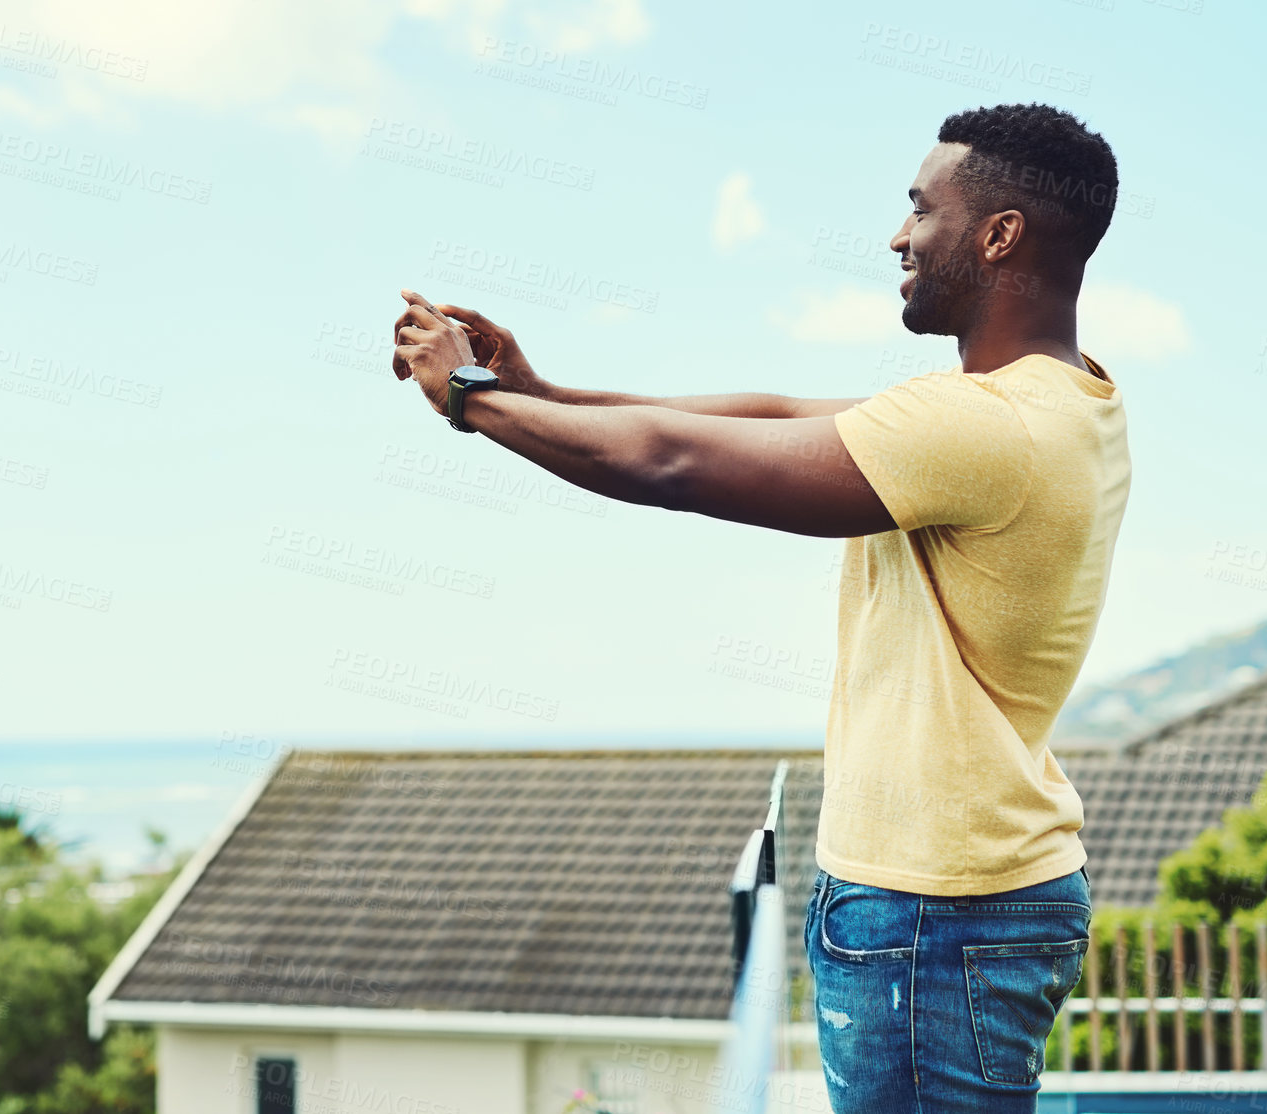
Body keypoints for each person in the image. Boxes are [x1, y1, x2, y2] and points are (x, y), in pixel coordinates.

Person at [390, 102, 1126, 1113]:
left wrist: (470, 400)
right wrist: (539, 388)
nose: (897, 237)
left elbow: (672, 461)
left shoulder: (985, 428)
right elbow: (769, 417)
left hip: (930, 910)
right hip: (966, 895)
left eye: (919, 209)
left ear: (999, 235)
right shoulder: (1060, 402)